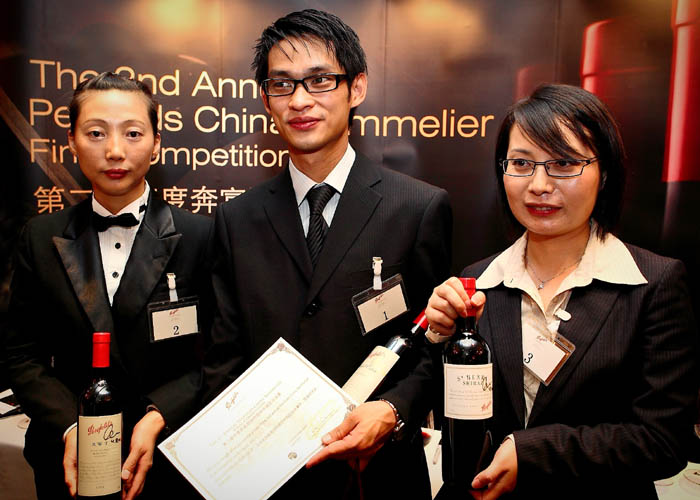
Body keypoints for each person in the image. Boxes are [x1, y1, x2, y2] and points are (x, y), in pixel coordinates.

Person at [203, 9, 452, 500]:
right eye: (282, 85)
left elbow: (435, 342)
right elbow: (223, 358)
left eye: (319, 80)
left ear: (356, 88)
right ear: (265, 99)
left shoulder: (417, 207)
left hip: (380, 473)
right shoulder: (236, 219)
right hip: (267, 477)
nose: (300, 100)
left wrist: (395, 410)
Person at [426, 84, 698, 499]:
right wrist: (439, 338)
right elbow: (459, 410)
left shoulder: (652, 284)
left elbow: (664, 440)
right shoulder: (479, 280)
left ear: (604, 173)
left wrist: (534, 452)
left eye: (564, 164)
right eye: (522, 163)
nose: (539, 184)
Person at [4, 72, 211, 500]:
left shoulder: (200, 236)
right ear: (72, 141)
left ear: (156, 143)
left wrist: (160, 414)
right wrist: (70, 426)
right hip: (67, 456)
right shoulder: (40, 238)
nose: (115, 150)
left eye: (133, 133)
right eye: (96, 133)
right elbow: (22, 354)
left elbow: (220, 351)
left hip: (170, 454)